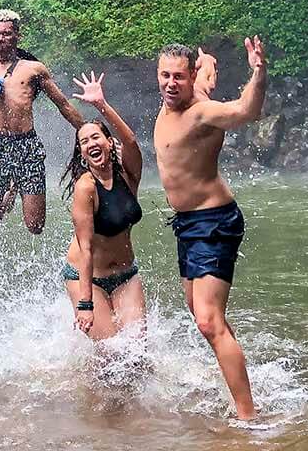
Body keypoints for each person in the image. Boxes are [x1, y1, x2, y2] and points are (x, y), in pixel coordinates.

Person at [153, 37, 267, 421]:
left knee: (207, 320)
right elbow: (208, 70)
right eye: (164, 75)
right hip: (187, 223)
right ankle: (237, 376)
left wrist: (258, 71)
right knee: (202, 313)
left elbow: (246, 110)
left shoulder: (202, 112)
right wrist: (207, 60)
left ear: (189, 80)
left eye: (178, 78)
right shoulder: (188, 88)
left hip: (214, 221)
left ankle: (248, 419)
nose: (171, 84)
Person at [0, 10, 90, 234]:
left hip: (26, 146)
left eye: (6, 33)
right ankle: (10, 189)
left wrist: (87, 132)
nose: (1, 38)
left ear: (17, 36)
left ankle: (14, 186)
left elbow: (63, 104)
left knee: (35, 226)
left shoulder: (34, 69)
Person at [60, 71, 146, 340]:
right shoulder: (85, 187)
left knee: (135, 353)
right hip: (86, 278)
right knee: (108, 359)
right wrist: (85, 304)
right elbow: (85, 247)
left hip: (125, 274)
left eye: (95, 137)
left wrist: (101, 105)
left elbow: (131, 141)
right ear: (83, 155)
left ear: (109, 143)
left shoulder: (128, 176)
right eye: (84, 142)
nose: (90, 144)